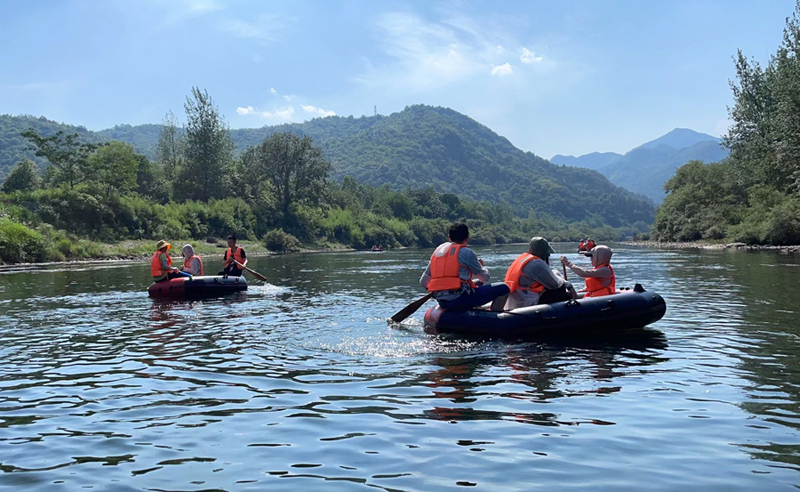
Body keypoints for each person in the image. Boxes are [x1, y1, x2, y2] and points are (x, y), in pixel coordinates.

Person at [420, 222, 509, 311]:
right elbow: (484, 277)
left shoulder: (438, 252)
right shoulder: (467, 252)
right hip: (460, 300)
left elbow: (423, 282)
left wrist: (440, 292)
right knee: (504, 288)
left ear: (449, 238)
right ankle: (495, 316)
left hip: (442, 301)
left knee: (478, 283)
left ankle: (475, 308)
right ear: (467, 238)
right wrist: (482, 267)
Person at [504, 237, 574, 310]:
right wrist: (567, 283)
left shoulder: (523, 260)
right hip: (527, 304)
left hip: (515, 302)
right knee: (561, 289)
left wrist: (556, 274)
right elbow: (555, 284)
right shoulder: (536, 263)